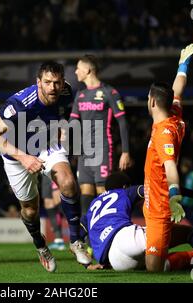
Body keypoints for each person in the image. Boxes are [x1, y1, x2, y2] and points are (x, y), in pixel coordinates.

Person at [0, 61, 91, 272]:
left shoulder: (67, 93)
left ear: (63, 83)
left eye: (57, 83)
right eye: (47, 82)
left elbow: (61, 116)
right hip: (16, 155)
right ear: (38, 82)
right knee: (30, 210)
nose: (53, 87)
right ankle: (40, 245)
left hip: (46, 145)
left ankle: (76, 241)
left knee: (69, 183)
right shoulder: (20, 103)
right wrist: (24, 158)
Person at [81, 172, 193, 272]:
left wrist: (90, 264)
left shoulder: (91, 207)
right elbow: (161, 189)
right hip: (127, 238)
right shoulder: (125, 192)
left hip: (114, 261)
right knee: (189, 232)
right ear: (125, 186)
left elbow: (80, 231)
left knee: (159, 265)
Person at [143, 43, 193, 272]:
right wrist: (183, 65)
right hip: (151, 200)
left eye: (148, 98)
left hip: (160, 205)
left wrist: (174, 195)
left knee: (154, 268)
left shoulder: (164, 134)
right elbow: (178, 89)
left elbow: (170, 166)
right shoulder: (174, 114)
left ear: (153, 102)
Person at [70, 54, 131, 215]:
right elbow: (72, 124)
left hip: (102, 150)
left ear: (88, 70)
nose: (75, 71)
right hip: (84, 154)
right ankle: (86, 238)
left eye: (78, 68)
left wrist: (125, 152)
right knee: (85, 196)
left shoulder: (109, 92)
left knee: (104, 196)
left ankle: (107, 233)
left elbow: (123, 122)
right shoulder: (80, 95)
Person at [41, 175, 65, 250]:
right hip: (44, 175)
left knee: (59, 202)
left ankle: (79, 237)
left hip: (53, 170)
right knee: (48, 204)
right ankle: (59, 240)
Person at [180, 157, 193, 227]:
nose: (181, 169)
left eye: (182, 166)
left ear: (186, 166)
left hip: (191, 204)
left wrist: (183, 203)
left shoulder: (192, 176)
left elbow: (189, 190)